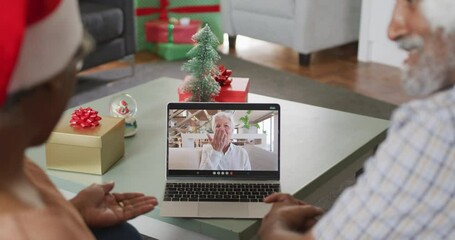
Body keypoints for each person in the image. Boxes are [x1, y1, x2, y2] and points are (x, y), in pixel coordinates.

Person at [259, 0, 455, 239]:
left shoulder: (437, 126)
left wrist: (273, 225)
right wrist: (340, 221)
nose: (392, 30)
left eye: (412, 3)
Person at [0, 1, 158, 239]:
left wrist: (74, 210)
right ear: (52, 80)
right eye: (77, 63)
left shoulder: (14, 162)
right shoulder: (46, 231)